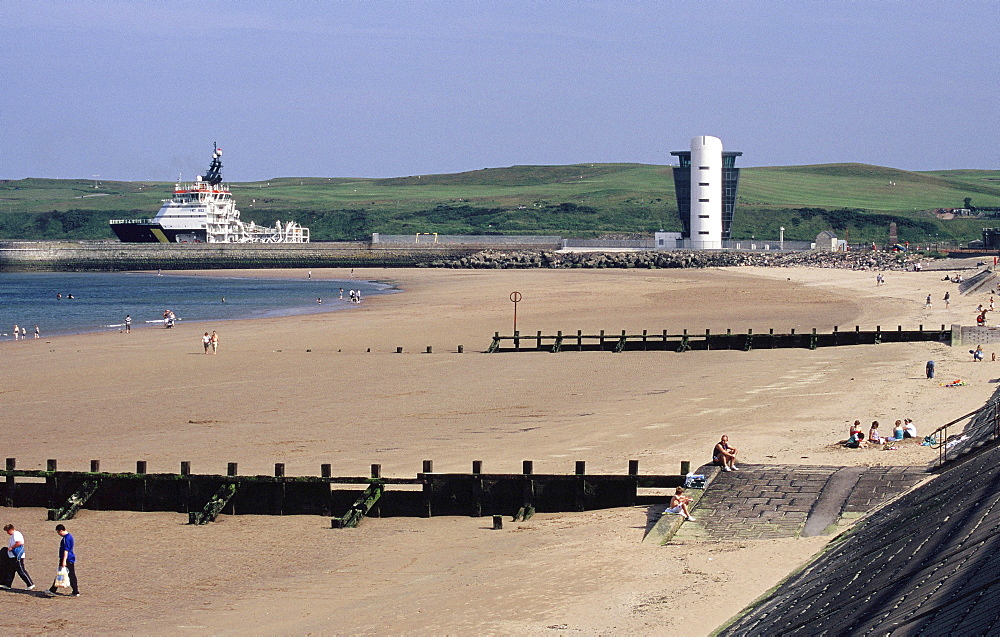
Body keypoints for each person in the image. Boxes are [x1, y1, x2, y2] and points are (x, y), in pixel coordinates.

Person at [47, 524, 78, 597]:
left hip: (67, 559)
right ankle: (75, 591)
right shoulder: (70, 536)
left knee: (61, 574)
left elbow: (66, 550)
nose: (58, 534)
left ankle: (53, 590)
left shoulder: (66, 538)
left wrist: (64, 561)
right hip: (70, 558)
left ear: (61, 530)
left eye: (58, 532)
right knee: (71, 575)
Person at [4, 524, 34, 590]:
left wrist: (11, 547)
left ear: (10, 530)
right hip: (13, 556)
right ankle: (7, 584)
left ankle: (30, 584)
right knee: (11, 571)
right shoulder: (13, 535)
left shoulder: (16, 534)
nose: (7, 533)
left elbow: (19, 543)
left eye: (7, 531)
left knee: (21, 570)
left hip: (17, 556)